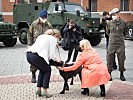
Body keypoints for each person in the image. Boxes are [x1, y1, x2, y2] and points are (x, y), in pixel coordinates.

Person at [26, 29, 61, 98]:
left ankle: (38, 90)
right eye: (58, 38)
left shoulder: (41, 36)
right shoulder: (53, 39)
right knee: (48, 70)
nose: (58, 40)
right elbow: (52, 55)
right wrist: (58, 60)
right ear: (56, 35)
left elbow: (43, 50)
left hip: (29, 55)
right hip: (37, 57)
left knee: (43, 70)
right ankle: (45, 91)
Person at [27, 10, 52, 83]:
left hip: (44, 47)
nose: (44, 19)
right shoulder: (34, 24)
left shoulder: (49, 25)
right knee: (34, 62)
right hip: (35, 46)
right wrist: (29, 45)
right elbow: (29, 34)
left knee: (44, 61)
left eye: (45, 17)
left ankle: (44, 77)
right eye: (42, 18)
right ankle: (33, 75)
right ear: (40, 17)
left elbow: (51, 35)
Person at [107, 8, 127, 81]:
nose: (115, 15)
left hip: (120, 43)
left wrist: (121, 37)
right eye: (113, 14)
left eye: (116, 13)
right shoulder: (109, 23)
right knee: (110, 58)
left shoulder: (123, 23)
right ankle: (109, 74)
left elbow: (125, 31)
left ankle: (122, 74)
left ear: (118, 14)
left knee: (121, 59)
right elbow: (107, 32)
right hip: (112, 43)